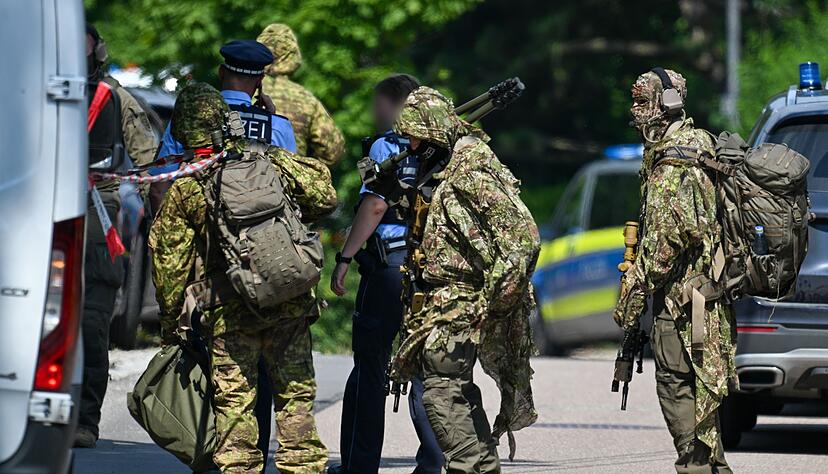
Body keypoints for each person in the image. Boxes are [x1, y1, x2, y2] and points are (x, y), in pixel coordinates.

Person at [149, 82, 335, 473]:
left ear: (182, 132)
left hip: (229, 313)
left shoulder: (187, 187)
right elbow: (325, 196)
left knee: (235, 410)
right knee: (296, 399)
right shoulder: (269, 160)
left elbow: (169, 263)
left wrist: (171, 326)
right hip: (288, 299)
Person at [390, 87, 540, 473]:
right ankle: (479, 467)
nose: (409, 144)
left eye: (415, 136)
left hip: (465, 301)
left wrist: (494, 305)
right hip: (446, 300)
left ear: (434, 134)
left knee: (443, 391)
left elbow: (523, 239)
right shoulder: (446, 166)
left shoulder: (470, 172)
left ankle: (472, 467)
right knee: (450, 387)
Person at [613, 68, 736, 473]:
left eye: (641, 101)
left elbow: (664, 242)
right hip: (707, 297)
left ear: (665, 103)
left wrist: (632, 292)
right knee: (703, 404)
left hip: (684, 306)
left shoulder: (673, 161)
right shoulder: (699, 144)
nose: (635, 111)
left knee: (678, 390)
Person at [329, 74, 443, 474]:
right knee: (427, 370)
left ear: (397, 105)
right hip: (431, 270)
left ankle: (359, 467)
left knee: (370, 368)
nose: (375, 112)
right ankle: (432, 465)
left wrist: (345, 257)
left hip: (389, 267)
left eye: (379, 104)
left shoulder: (386, 146)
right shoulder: (445, 150)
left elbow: (375, 207)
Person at [75, 23, 157, 448]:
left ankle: (85, 420)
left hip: (94, 210)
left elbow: (150, 164)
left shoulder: (113, 97)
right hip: (41, 207)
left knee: (91, 319)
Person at [257, 23, 345, 167]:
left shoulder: (243, 90)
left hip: (240, 181)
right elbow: (333, 151)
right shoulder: (306, 100)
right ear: (293, 56)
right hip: (290, 182)